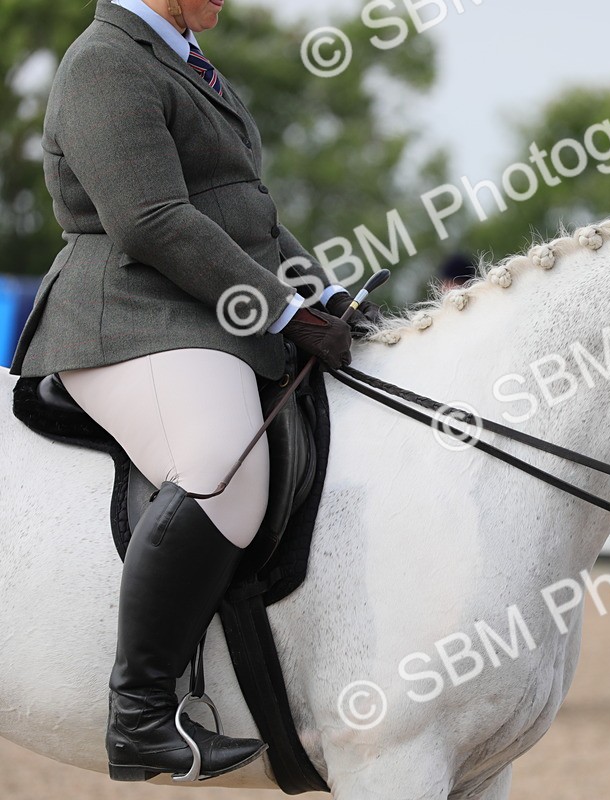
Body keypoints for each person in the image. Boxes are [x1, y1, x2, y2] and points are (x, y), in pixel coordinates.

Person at [6, 0, 382, 782]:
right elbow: (148, 219)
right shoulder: (106, 60)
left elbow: (249, 219)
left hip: (203, 310)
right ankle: (140, 714)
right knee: (221, 465)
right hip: (128, 315)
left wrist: (321, 294)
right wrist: (278, 310)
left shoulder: (181, 59)